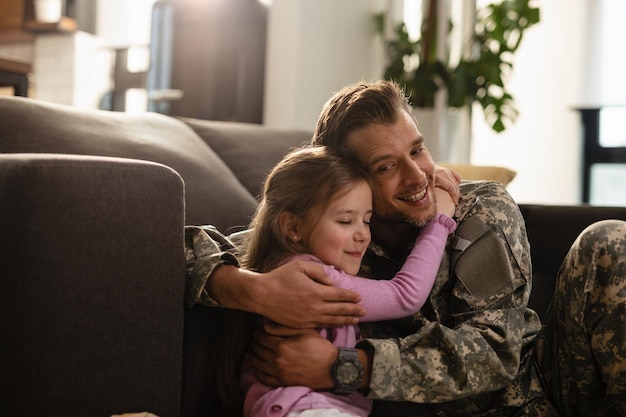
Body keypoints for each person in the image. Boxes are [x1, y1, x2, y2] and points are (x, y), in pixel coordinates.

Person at [185, 80, 626, 416]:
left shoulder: (479, 210)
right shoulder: (329, 242)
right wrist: (252, 289)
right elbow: (176, 250)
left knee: (609, 241)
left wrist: (344, 366)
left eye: (418, 149)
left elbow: (495, 353)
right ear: (347, 181)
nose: (417, 176)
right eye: (387, 166)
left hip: (537, 396)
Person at [209, 145, 456, 417]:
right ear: (293, 228)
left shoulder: (280, 266)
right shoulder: (310, 277)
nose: (363, 235)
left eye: (366, 220)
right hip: (307, 408)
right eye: (346, 221)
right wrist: (439, 221)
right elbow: (405, 295)